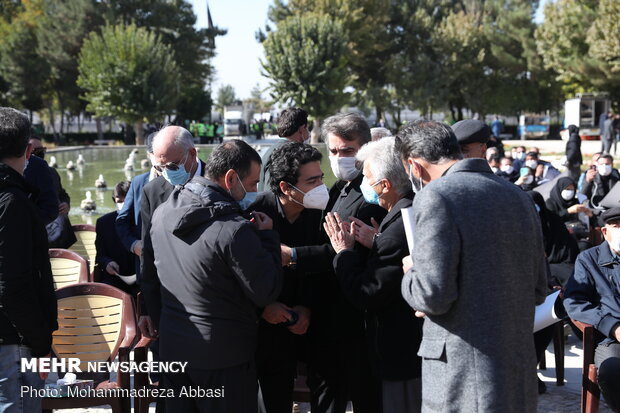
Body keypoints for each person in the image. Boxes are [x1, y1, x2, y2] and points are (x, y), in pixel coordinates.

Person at [396, 119, 547, 413]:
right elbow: (538, 288)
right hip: (515, 371)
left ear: (414, 166)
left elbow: (432, 295)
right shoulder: (518, 196)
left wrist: (411, 273)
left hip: (462, 374)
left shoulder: (436, 196)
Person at [147, 139, 283, 412]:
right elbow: (266, 291)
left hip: (175, 351)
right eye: (254, 183)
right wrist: (268, 238)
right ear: (231, 178)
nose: (256, 191)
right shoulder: (233, 229)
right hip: (225, 358)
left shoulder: (162, 213)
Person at [283, 112, 386, 413]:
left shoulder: (370, 195)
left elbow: (342, 250)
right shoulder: (336, 189)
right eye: (333, 151)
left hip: (355, 325)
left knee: (366, 399)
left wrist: (294, 256)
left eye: (347, 151)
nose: (338, 158)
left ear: (365, 149)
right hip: (326, 323)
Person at [324, 137, 423, 413]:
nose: (365, 184)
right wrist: (376, 240)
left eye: (367, 178)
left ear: (385, 184)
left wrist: (344, 252)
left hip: (399, 353)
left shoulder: (394, 231)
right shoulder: (406, 212)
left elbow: (368, 293)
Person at [249, 142, 326, 413]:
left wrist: (306, 308)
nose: (320, 187)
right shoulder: (256, 214)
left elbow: (326, 263)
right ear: (285, 187)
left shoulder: (320, 214)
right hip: (263, 328)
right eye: (312, 180)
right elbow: (241, 273)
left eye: (321, 178)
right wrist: (264, 308)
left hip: (306, 324)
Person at [0, 107, 57, 412]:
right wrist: (40, 342)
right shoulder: (13, 203)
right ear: (29, 150)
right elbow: (13, 285)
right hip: (13, 341)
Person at [564, 206, 620, 413]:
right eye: (617, 226)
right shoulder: (588, 260)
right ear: (605, 232)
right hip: (610, 337)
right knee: (612, 370)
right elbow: (574, 302)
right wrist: (612, 326)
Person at [29, 137, 75, 248]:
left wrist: (66, 204)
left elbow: (62, 194)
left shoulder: (52, 172)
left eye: (42, 150)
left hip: (62, 237)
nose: (39, 153)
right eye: (35, 151)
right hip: (38, 241)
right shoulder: (20, 176)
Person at [95, 181, 138, 296]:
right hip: (114, 278)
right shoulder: (103, 223)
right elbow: (100, 255)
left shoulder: (144, 221)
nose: (123, 205)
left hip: (141, 278)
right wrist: (107, 263)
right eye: (119, 201)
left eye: (126, 201)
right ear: (114, 200)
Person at [259, 108, 311, 192]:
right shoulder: (292, 153)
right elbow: (272, 192)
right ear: (301, 129)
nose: (308, 134)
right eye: (307, 129)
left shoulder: (270, 150)